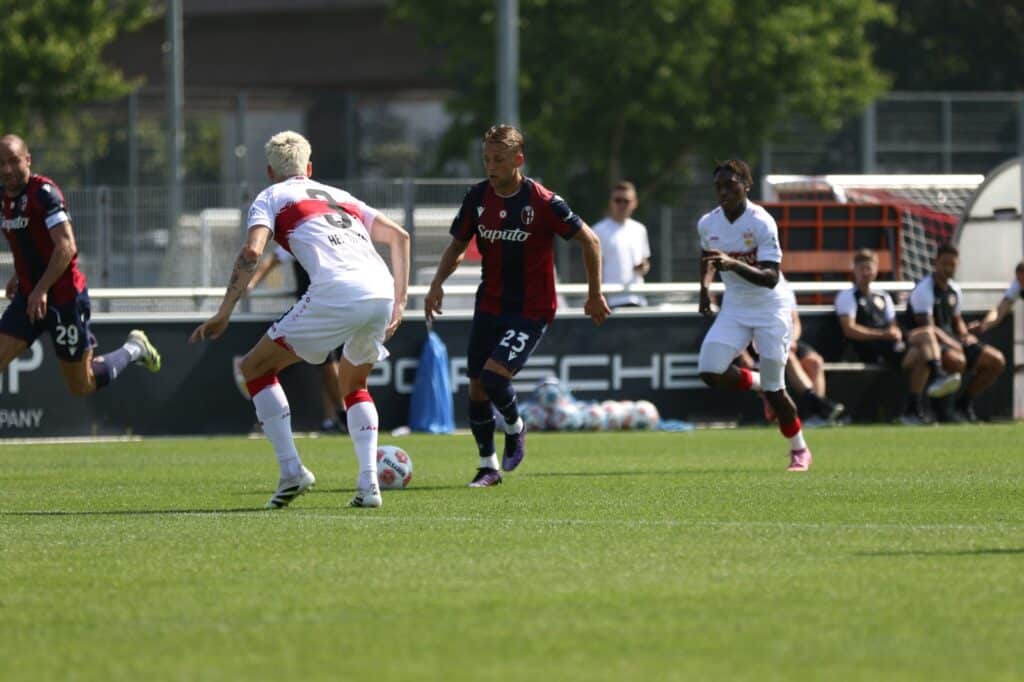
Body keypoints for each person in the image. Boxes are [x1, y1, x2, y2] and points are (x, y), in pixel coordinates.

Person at [190, 131, 409, 509]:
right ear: (309, 168)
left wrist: (224, 310)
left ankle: (292, 470)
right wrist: (401, 302)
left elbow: (251, 250)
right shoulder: (341, 197)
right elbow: (399, 236)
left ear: (270, 172)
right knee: (354, 384)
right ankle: (368, 484)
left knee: (255, 368)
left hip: (336, 291)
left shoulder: (270, 197)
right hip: (381, 290)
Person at [424, 124, 610, 488]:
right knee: (477, 387)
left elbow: (590, 241)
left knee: (494, 377)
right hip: (490, 303)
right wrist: (436, 285)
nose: (490, 166)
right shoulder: (477, 198)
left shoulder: (543, 202)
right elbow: (457, 246)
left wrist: (595, 293)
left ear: (518, 160)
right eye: (486, 159)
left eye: (498, 159)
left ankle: (515, 425)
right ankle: (487, 467)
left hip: (532, 308)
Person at [0, 134, 161, 396]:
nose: (7, 169)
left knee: (81, 385)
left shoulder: (44, 194)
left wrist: (40, 289)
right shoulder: (4, 199)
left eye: (13, 161)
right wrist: (21, 276)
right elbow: (29, 241)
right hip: (29, 298)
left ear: (27, 160)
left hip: (64, 299)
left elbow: (66, 246)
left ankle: (134, 349)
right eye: (1, 163)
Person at [697, 159, 812, 472]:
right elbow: (707, 258)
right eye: (718, 186)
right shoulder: (708, 223)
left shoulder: (761, 221)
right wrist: (704, 291)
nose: (723, 191)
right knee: (709, 370)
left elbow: (771, 277)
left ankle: (799, 449)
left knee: (777, 390)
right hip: (735, 305)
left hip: (770, 306)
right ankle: (757, 382)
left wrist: (733, 265)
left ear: (745, 185)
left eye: (730, 185)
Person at [835, 248, 961, 424]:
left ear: (876, 270)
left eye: (869, 268)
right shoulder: (847, 296)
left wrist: (893, 332)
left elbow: (892, 324)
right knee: (927, 334)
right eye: (862, 268)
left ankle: (912, 411)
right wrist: (882, 334)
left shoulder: (882, 296)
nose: (866, 272)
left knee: (924, 351)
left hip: (891, 346)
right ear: (854, 269)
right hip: (871, 348)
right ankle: (937, 376)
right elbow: (849, 329)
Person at [246, 243, 348, 433]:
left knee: (334, 365)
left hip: (339, 307)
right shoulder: (298, 237)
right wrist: (252, 283)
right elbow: (273, 259)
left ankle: (337, 418)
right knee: (327, 364)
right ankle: (341, 417)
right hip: (314, 313)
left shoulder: (336, 239)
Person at [907, 243, 1005, 422]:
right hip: (931, 346)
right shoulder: (923, 290)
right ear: (936, 263)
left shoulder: (954, 290)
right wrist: (955, 344)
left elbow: (956, 320)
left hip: (953, 342)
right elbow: (930, 329)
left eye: (952, 265)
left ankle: (964, 404)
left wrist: (966, 335)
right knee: (957, 361)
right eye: (944, 264)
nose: (948, 269)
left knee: (996, 361)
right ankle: (943, 411)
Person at [592, 181, 651, 308]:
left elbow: (645, 263)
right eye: (618, 200)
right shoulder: (598, 230)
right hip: (610, 302)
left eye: (626, 201)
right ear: (611, 202)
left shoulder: (640, 229)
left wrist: (643, 267)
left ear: (634, 203)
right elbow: (593, 267)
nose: (622, 205)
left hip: (637, 298)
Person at [967, 260, 1024, 336]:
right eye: (1020, 281)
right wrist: (984, 325)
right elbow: (999, 310)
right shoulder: (1017, 285)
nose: (1022, 284)